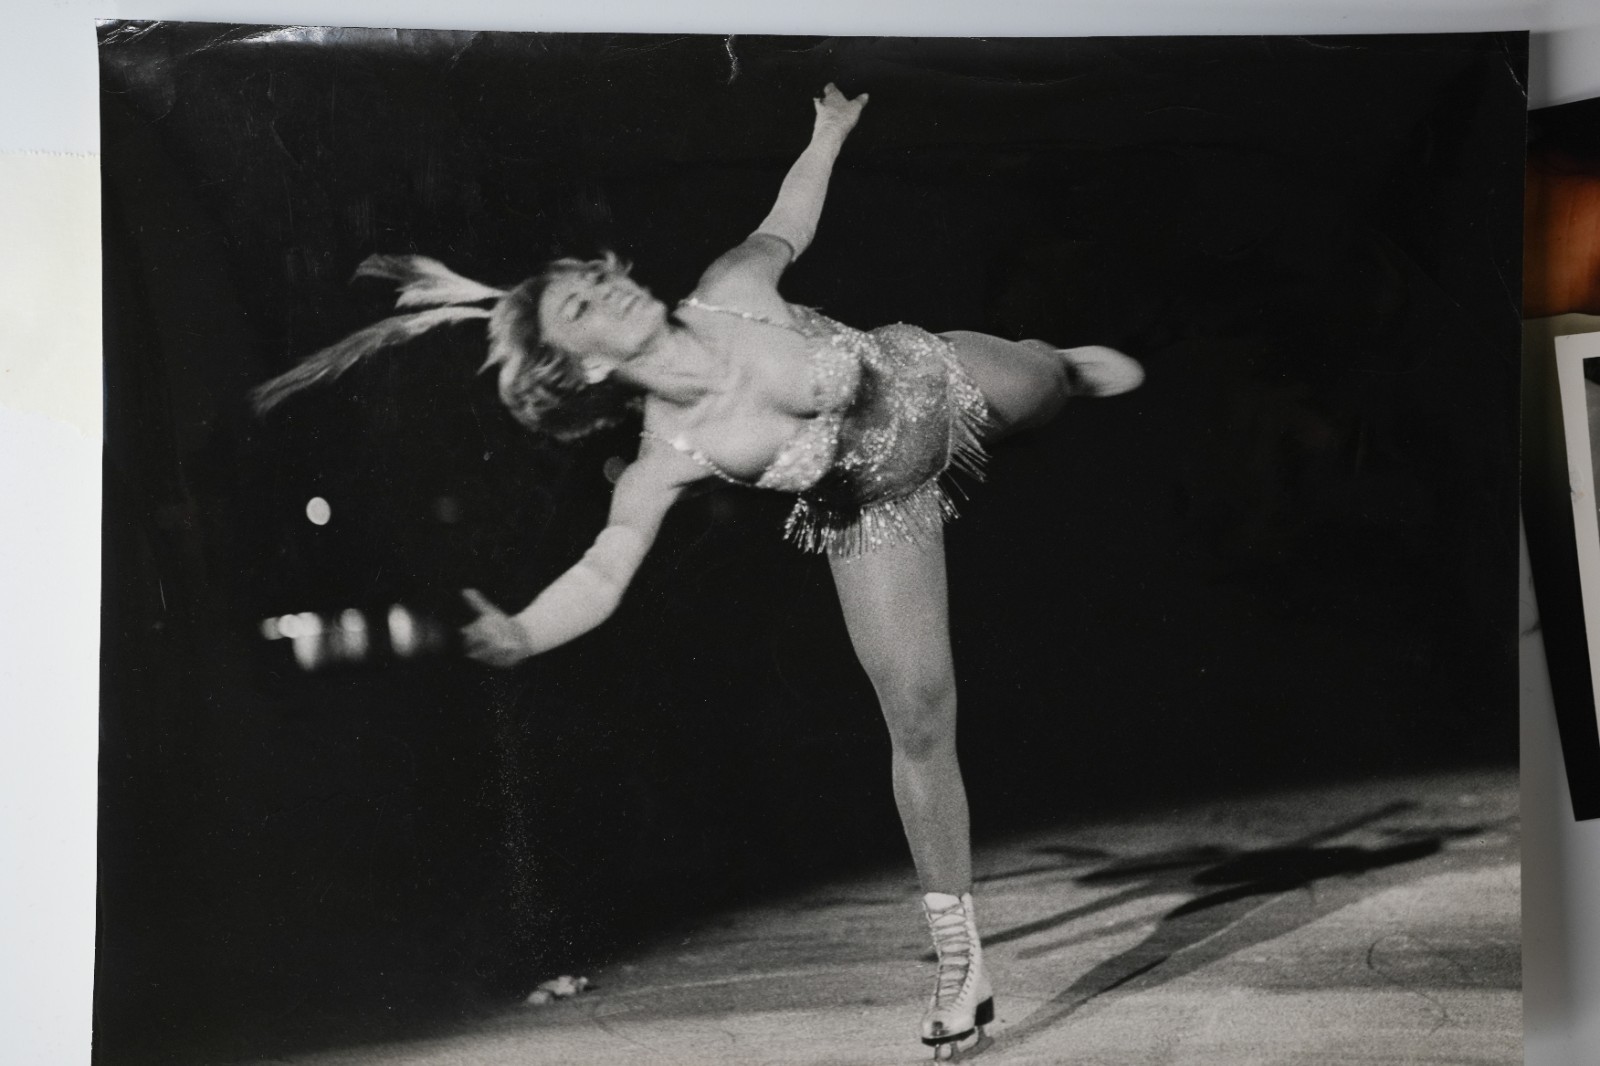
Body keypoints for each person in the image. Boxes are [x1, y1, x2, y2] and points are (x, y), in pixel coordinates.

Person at [253, 84, 1142, 1060]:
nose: (608, 289)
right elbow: (603, 573)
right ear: (582, 369)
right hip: (871, 506)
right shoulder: (664, 457)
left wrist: (826, 132)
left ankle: (1055, 361)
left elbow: (787, 221)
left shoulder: (730, 290)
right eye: (583, 305)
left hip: (936, 381)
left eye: (595, 277)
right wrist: (524, 630)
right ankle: (961, 963)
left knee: (1053, 381)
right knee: (921, 719)